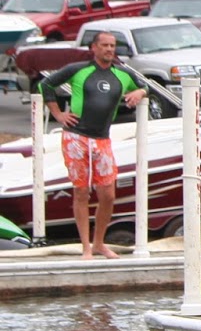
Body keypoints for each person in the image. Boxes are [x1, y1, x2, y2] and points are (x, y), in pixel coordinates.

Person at [39, 30, 149, 258]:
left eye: (112, 46)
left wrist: (138, 91)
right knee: (81, 191)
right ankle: (86, 247)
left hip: (102, 139)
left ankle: (99, 243)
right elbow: (46, 85)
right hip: (76, 137)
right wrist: (58, 114)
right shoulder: (79, 70)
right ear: (94, 48)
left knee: (108, 194)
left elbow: (144, 87)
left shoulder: (122, 74)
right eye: (105, 45)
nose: (110, 49)